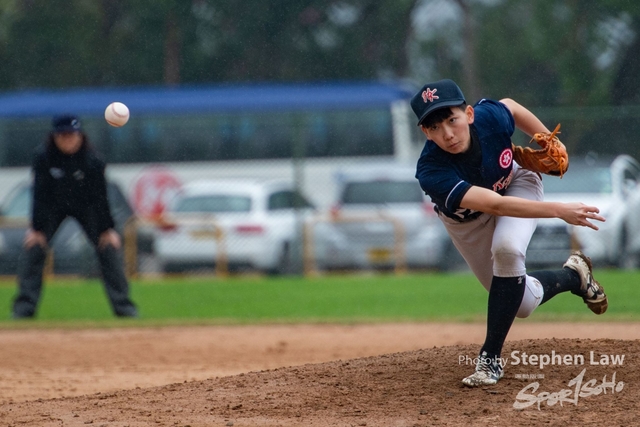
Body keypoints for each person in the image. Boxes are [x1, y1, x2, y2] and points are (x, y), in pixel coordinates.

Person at [410, 79, 607, 387]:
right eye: (435, 127)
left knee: (507, 248)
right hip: (470, 222)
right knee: (524, 304)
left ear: (470, 115)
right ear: (425, 132)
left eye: (452, 120)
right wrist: (559, 210)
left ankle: (489, 360)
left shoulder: (488, 120)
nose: (447, 133)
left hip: (517, 183)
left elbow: (512, 107)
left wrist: (549, 140)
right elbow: (495, 206)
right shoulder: (431, 170)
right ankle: (574, 276)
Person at [12, 115, 138, 319]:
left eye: (72, 135)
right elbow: (40, 196)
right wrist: (37, 229)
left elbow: (100, 198)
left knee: (109, 248)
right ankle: (23, 310)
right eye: (63, 136)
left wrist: (107, 229)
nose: (68, 140)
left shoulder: (93, 160)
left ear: (80, 136)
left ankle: (125, 309)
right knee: (33, 248)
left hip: (86, 207)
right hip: (53, 207)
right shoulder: (43, 158)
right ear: (54, 137)